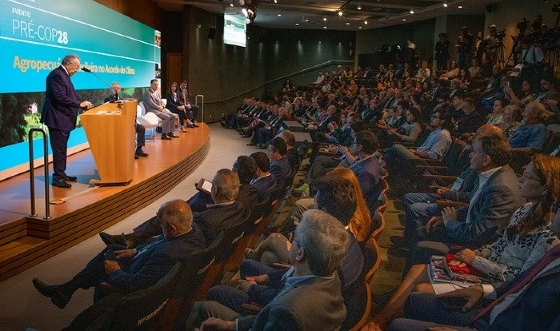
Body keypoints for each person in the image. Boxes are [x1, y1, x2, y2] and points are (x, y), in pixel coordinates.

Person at [371, 155, 559, 329]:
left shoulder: (549, 233)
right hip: (486, 267)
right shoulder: (525, 210)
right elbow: (499, 244)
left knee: (420, 288)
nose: (521, 179)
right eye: (523, 174)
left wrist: (474, 259)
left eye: (528, 176)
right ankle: (380, 320)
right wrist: (476, 254)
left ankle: (382, 321)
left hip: (494, 282)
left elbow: (520, 280)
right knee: (416, 270)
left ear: (545, 187)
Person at [32, 200, 206, 309]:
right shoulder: (193, 231)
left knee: (106, 261)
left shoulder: (167, 254)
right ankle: (66, 290)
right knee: (113, 249)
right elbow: (162, 241)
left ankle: (70, 295)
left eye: (162, 227)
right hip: (145, 260)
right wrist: (136, 250)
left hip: (136, 277)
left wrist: (115, 272)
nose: (160, 230)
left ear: (173, 229)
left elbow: (135, 284)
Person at [198, 209, 349, 331]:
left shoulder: (288, 310)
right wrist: (233, 325)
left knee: (208, 306)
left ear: (300, 253)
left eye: (293, 238)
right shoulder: (330, 275)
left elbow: (276, 312)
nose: (289, 240)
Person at [406, 133, 524, 269]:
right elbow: (475, 205)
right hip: (469, 231)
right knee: (422, 231)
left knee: (422, 246)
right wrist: (447, 217)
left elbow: (479, 235)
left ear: (486, 160)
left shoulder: (500, 187)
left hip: (475, 248)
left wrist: (450, 223)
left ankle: (411, 285)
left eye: (474, 152)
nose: (470, 155)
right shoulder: (494, 175)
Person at [98, 169, 248, 247]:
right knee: (198, 199)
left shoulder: (206, 220)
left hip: (186, 244)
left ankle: (132, 240)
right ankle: (131, 238)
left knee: (171, 213)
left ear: (214, 191)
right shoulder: (241, 207)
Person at [40, 54, 92, 188]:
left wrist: (83, 102)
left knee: (62, 149)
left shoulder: (65, 75)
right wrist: (79, 105)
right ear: (68, 64)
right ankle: (57, 178)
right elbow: (60, 97)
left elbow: (72, 95)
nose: (77, 70)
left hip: (63, 119)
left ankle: (61, 173)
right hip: (57, 119)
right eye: (76, 67)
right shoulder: (57, 75)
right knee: (59, 149)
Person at [104, 82, 148, 159]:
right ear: (110, 89)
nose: (116, 89)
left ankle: (139, 149)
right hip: (117, 123)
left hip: (127, 121)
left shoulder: (121, 98)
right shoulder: (108, 99)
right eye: (114, 88)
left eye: (118, 88)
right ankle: (129, 153)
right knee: (128, 131)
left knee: (141, 128)